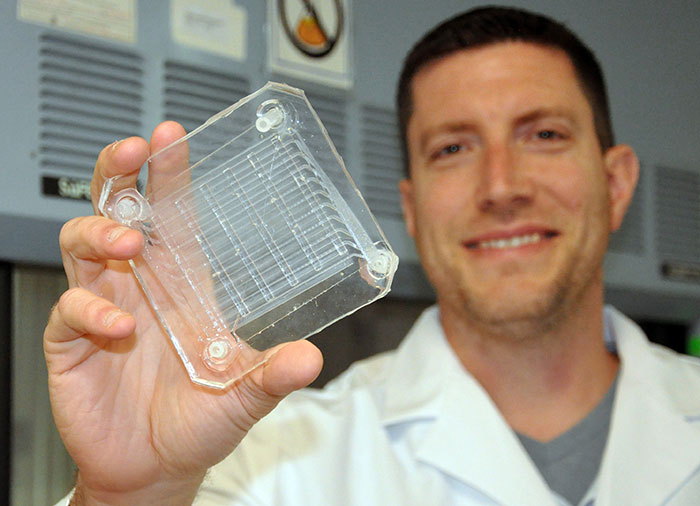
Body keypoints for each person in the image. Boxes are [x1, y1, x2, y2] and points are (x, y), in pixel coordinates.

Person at [47, 6, 700, 506]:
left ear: (616, 186)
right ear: (412, 211)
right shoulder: (269, 460)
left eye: (545, 135)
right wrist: (129, 495)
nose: (502, 187)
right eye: (453, 148)